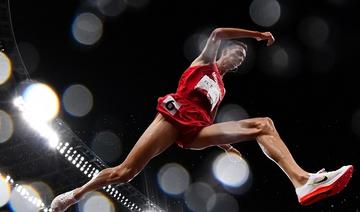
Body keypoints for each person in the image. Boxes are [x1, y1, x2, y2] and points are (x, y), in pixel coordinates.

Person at [50, 27, 353, 211]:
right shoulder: (204, 62)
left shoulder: (221, 88)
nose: (240, 58)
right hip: (172, 117)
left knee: (264, 124)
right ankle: (75, 195)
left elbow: (207, 120)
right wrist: (256, 35)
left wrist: (224, 145)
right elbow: (218, 33)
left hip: (195, 130)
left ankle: (302, 181)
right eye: (237, 52)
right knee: (125, 172)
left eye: (243, 58)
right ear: (226, 53)